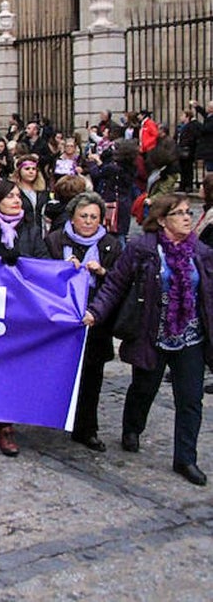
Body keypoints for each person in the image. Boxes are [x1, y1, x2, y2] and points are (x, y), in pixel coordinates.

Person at [84, 193, 213, 486]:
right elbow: (116, 283)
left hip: (190, 337)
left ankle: (185, 458)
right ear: (162, 220)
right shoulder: (143, 249)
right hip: (151, 334)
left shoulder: (200, 252)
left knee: (191, 399)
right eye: (179, 213)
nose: (186, 218)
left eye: (188, 213)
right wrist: (95, 312)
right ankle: (132, 428)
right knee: (144, 389)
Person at [0, 179, 50, 457]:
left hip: (23, 308)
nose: (16, 200)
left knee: (17, 365)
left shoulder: (31, 230)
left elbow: (44, 263)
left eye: (18, 196)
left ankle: (6, 419)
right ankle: (2, 420)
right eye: (9, 196)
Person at [46, 192, 121, 452]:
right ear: (73, 217)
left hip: (95, 321)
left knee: (92, 378)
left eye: (94, 217)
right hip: (59, 320)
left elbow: (119, 282)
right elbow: (39, 274)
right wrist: (60, 270)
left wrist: (102, 272)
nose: (88, 222)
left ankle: (86, 428)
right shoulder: (55, 241)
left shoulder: (110, 244)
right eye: (83, 216)